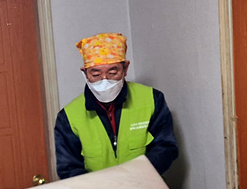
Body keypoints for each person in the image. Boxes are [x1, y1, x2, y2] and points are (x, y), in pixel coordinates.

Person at [54, 32, 178, 179]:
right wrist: (106, 186)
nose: (105, 81)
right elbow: (68, 168)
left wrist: (134, 177)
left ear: (125, 69)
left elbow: (165, 147)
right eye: (96, 75)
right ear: (85, 73)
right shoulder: (69, 117)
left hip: (145, 186)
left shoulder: (151, 99)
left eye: (113, 73)